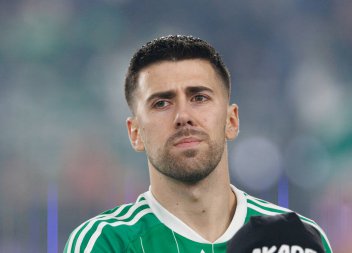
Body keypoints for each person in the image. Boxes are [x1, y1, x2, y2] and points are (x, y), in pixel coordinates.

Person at [64, 35, 332, 253]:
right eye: (161, 103)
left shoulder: (298, 240)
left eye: (199, 98)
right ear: (135, 133)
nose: (183, 117)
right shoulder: (106, 243)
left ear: (232, 120)